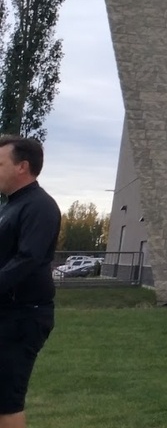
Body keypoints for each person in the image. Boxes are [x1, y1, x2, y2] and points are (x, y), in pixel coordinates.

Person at [0, 136, 61, 428]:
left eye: (0, 163)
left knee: (7, 402)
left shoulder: (40, 206)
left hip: (24, 316)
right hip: (7, 313)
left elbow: (29, 259)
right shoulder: (11, 206)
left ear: (22, 166)